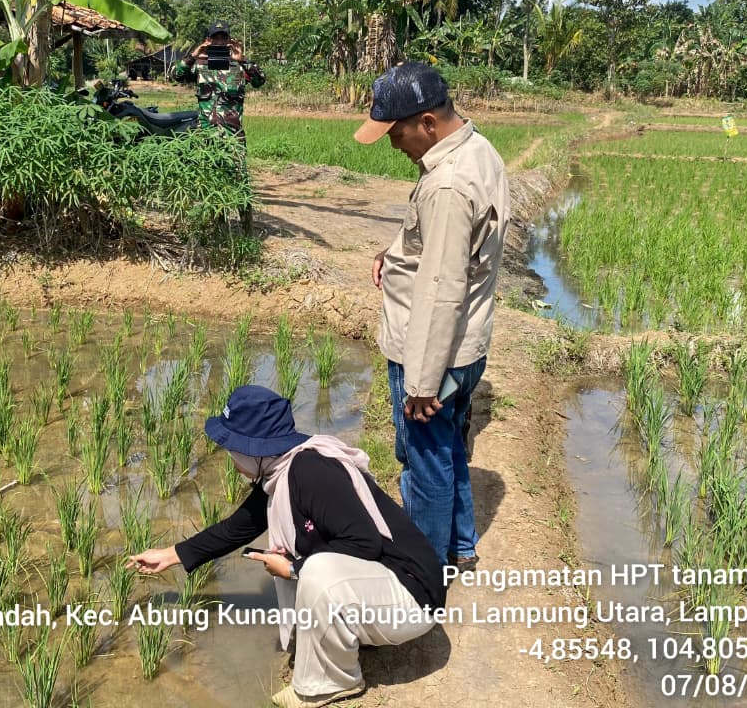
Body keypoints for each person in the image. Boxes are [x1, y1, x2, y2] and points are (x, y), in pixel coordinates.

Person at [127, 385, 447, 708]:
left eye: (233, 448)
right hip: (385, 585)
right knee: (314, 565)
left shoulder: (310, 472)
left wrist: (293, 568)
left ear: (255, 450)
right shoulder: (280, 470)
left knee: (316, 571)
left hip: (414, 600)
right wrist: (170, 555)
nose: (230, 457)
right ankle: (349, 633)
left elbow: (364, 542)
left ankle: (331, 684)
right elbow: (236, 528)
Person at [352, 63, 511, 570]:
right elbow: (446, 248)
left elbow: (441, 291)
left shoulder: (447, 186)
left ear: (426, 122)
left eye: (396, 133)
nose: (394, 145)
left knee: (425, 462)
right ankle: (459, 546)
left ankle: (422, 569)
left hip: (432, 354)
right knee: (446, 449)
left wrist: (422, 382)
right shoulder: (475, 149)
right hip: (466, 345)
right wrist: (396, 253)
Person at [170, 21, 266, 139]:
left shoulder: (239, 65)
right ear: (208, 40)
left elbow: (260, 80)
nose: (219, 42)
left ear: (229, 40)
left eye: (223, 38)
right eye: (215, 38)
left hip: (232, 136)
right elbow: (176, 75)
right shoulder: (200, 64)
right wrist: (193, 56)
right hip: (205, 134)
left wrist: (242, 60)